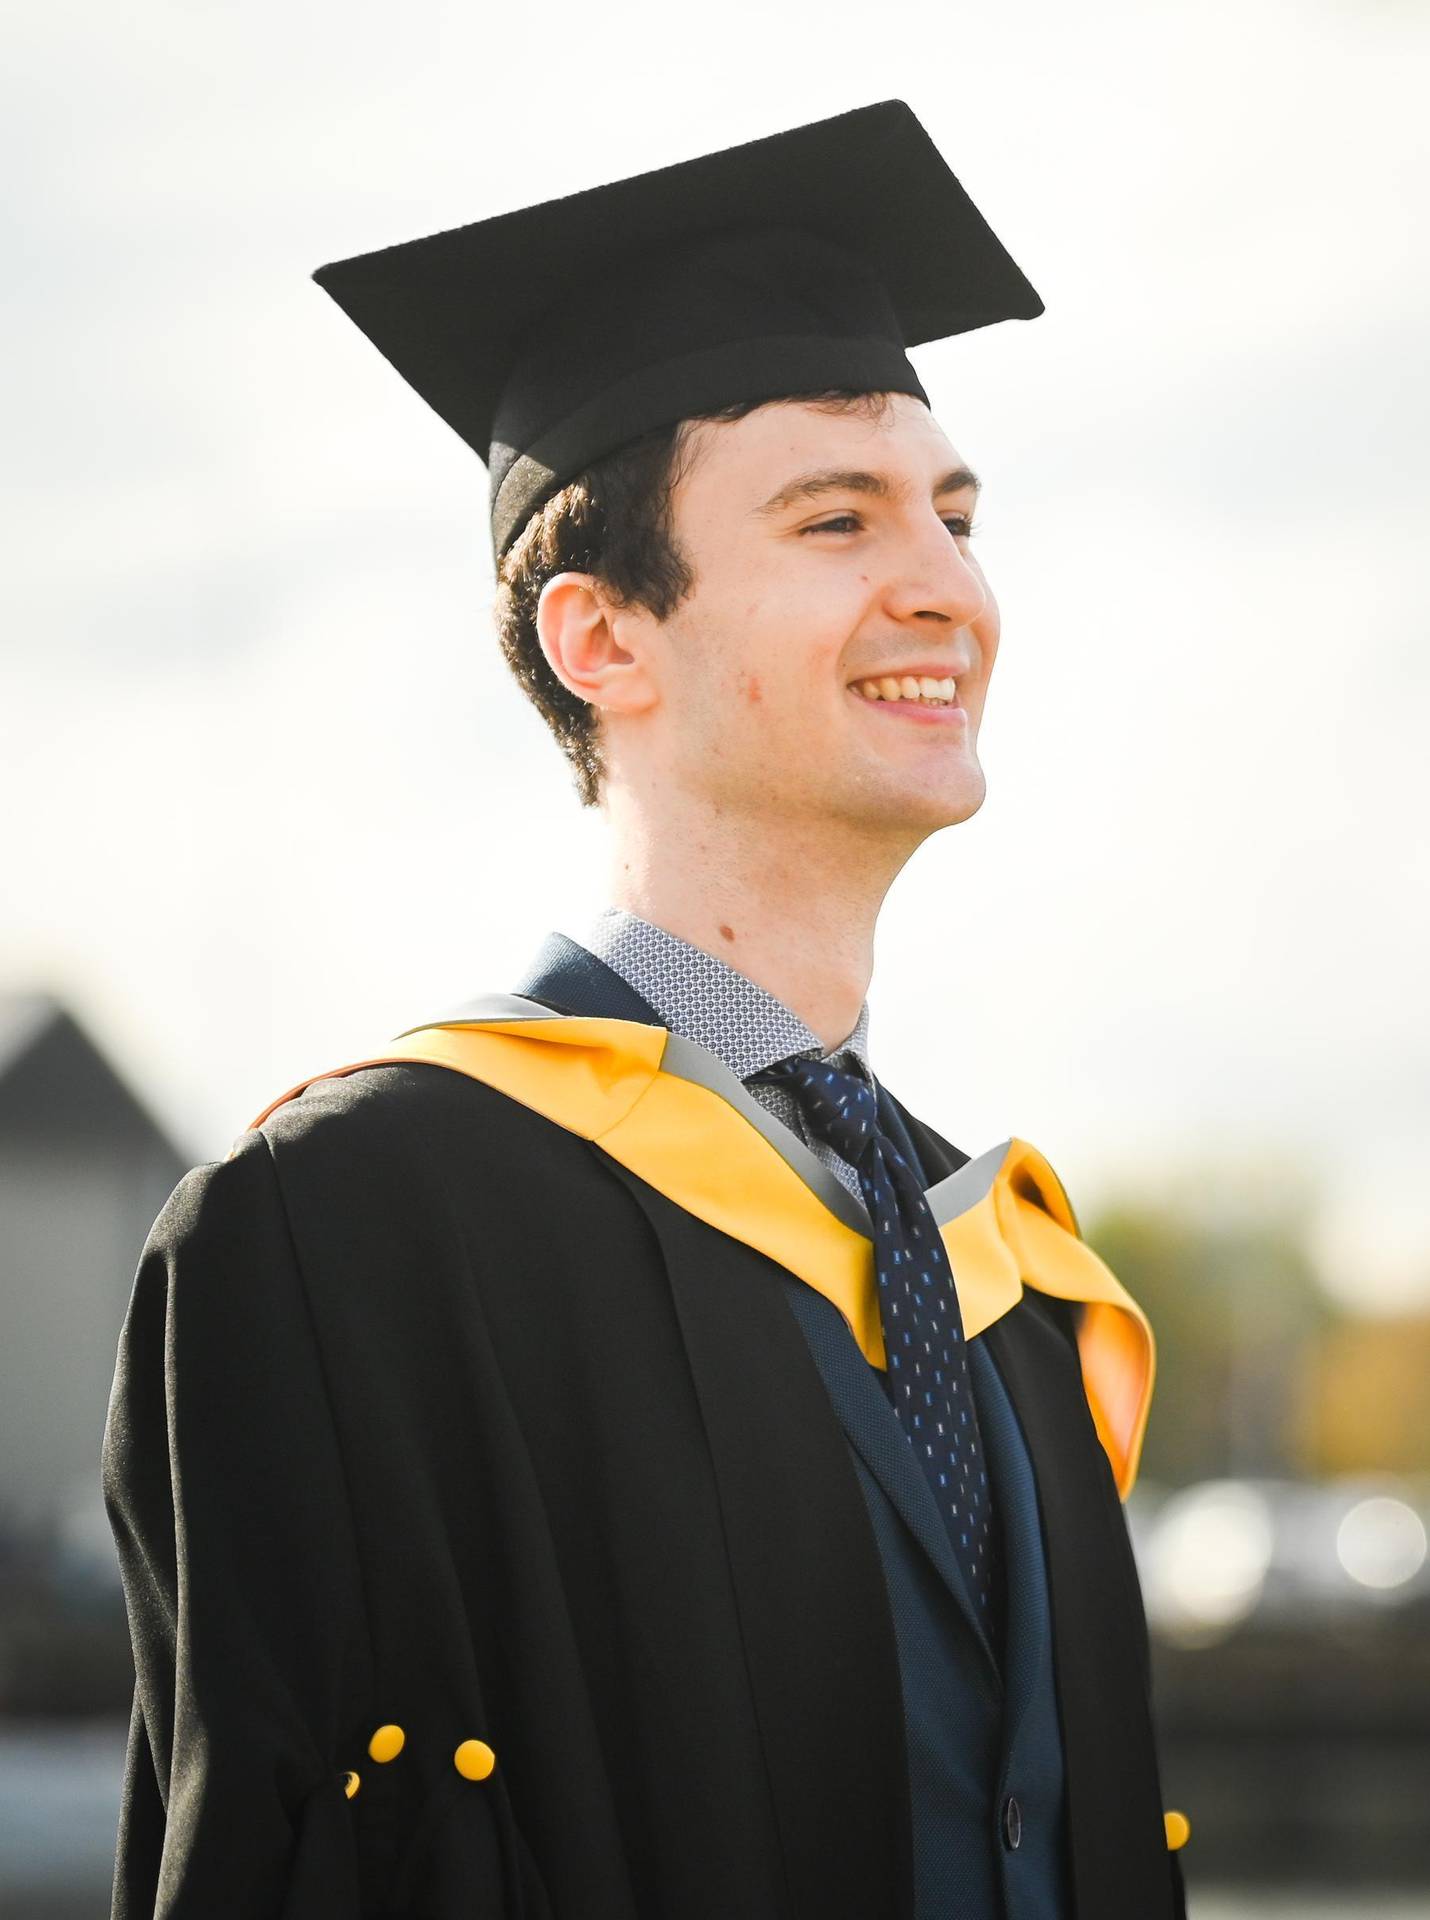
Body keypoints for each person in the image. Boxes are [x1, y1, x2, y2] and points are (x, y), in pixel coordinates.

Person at [102, 100, 1190, 1919]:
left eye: (954, 512)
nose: (946, 584)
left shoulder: (1007, 1276)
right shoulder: (347, 1227)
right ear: (601, 640)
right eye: (835, 518)